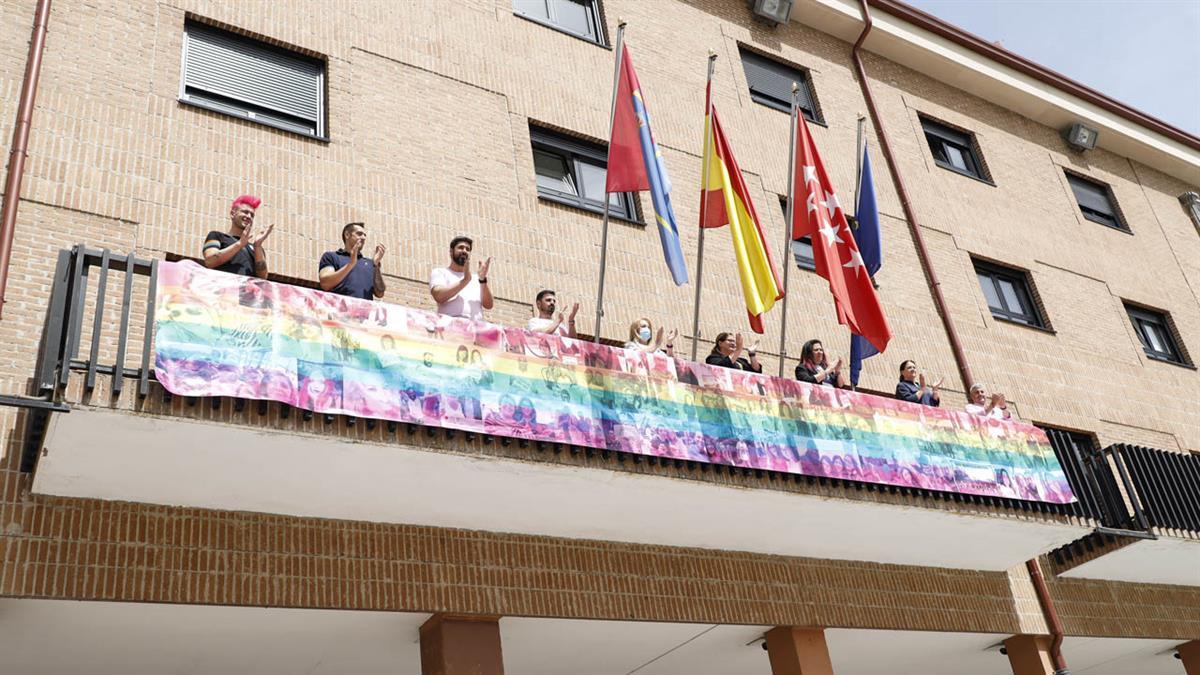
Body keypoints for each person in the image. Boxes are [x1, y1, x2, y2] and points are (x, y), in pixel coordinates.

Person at [202, 194, 273, 278]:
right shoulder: (217, 236)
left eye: (252, 215)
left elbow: (263, 277)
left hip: (247, 287)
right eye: (245, 212)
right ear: (233, 214)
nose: (249, 216)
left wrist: (257, 246)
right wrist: (239, 244)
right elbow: (210, 261)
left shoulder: (256, 248)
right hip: (224, 285)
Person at [430, 235, 493, 321]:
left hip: (474, 326)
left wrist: (482, 280)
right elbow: (439, 296)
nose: (464, 251)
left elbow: (489, 305)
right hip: (449, 324)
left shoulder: (477, 278)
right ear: (451, 251)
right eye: (460, 247)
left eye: (467, 249)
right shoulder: (440, 272)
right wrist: (465, 281)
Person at [318, 222, 386, 299]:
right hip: (339, 306)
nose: (363, 238)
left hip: (363, 307)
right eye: (359, 234)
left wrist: (375, 265)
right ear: (347, 235)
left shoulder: (369, 263)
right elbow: (325, 284)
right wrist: (351, 264)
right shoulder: (332, 256)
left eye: (364, 235)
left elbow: (380, 293)